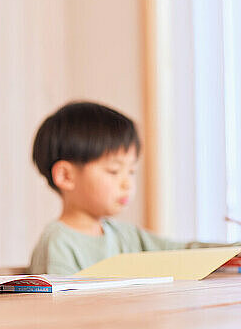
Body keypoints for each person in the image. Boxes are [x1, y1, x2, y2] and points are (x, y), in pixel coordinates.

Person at [29, 101, 230, 275]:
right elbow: (57, 310)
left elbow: (184, 253)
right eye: (114, 171)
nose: (128, 183)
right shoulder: (58, 242)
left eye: (131, 171)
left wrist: (233, 250)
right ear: (66, 176)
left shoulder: (126, 235)